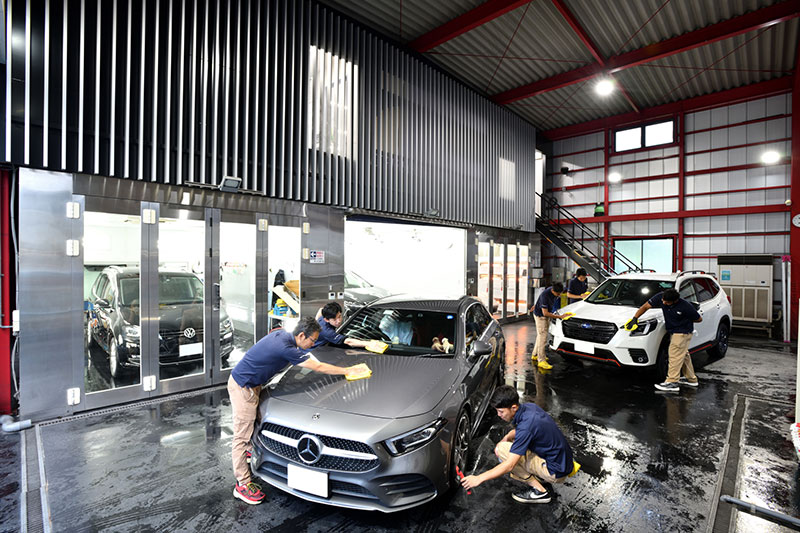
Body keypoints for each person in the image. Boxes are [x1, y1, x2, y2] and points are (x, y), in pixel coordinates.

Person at [228, 317, 358, 505]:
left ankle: (250, 451)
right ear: (301, 335)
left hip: (253, 384)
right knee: (241, 436)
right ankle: (242, 484)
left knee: (257, 419)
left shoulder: (283, 335)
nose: (314, 343)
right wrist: (348, 371)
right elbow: (318, 367)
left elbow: (307, 356)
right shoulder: (286, 348)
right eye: (312, 340)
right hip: (243, 387)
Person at [460, 385, 575, 504]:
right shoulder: (530, 408)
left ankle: (540, 491)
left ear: (513, 407)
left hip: (555, 471)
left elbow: (510, 465)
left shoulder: (526, 428)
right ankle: (539, 475)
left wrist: (478, 478)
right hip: (562, 461)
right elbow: (520, 431)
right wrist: (507, 437)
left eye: (501, 411)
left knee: (502, 450)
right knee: (511, 444)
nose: (499, 415)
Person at [626, 288, 702, 393]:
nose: (663, 302)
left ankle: (672, 382)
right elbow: (646, 306)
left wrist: (683, 319)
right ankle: (691, 379)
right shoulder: (661, 297)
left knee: (674, 356)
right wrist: (635, 318)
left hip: (682, 333)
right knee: (683, 355)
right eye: (663, 300)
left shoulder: (685, 306)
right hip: (673, 331)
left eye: (667, 302)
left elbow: (699, 319)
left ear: (675, 301)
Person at [530, 282, 566, 370]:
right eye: (557, 294)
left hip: (545, 314)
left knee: (540, 335)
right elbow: (545, 313)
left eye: (560, 293)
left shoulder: (553, 289)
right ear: (553, 290)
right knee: (543, 337)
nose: (559, 295)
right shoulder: (545, 296)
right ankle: (541, 360)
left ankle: (535, 354)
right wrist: (559, 317)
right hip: (540, 316)